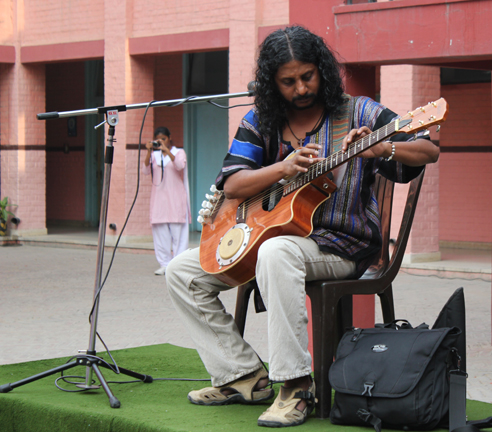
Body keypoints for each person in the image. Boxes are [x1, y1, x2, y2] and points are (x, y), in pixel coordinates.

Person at [165, 25, 440, 427]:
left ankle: (296, 385)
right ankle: (242, 375)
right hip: (269, 238)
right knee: (181, 272)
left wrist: (384, 147)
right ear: (272, 83)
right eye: (288, 81)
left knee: (276, 253)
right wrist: (281, 168)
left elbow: (428, 149)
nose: (301, 88)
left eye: (308, 76)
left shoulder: (359, 112)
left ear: (322, 70)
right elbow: (233, 183)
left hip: (341, 244)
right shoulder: (261, 120)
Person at [144, 126, 191, 275]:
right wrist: (148, 151)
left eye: (163, 139)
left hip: (176, 199)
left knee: (179, 235)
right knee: (160, 234)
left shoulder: (179, 152)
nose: (161, 142)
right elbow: (145, 171)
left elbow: (180, 166)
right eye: (158, 140)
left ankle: (178, 265)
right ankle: (164, 264)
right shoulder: (154, 155)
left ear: (170, 138)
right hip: (159, 200)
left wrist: (167, 151)